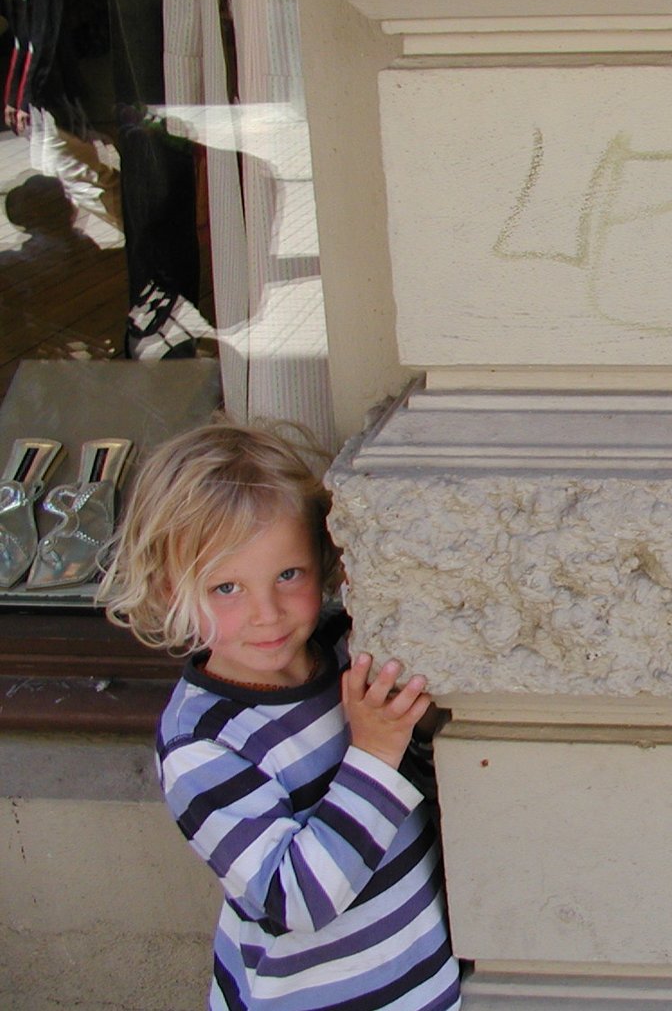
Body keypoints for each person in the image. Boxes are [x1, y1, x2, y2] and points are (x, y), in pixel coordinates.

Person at [97, 422, 463, 1011]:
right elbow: (297, 901)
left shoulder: (344, 651)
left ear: (323, 561)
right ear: (169, 591)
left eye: (287, 575)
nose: (266, 614)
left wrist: (406, 738)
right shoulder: (203, 743)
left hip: (418, 983)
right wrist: (373, 752)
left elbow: (418, 789)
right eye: (225, 588)